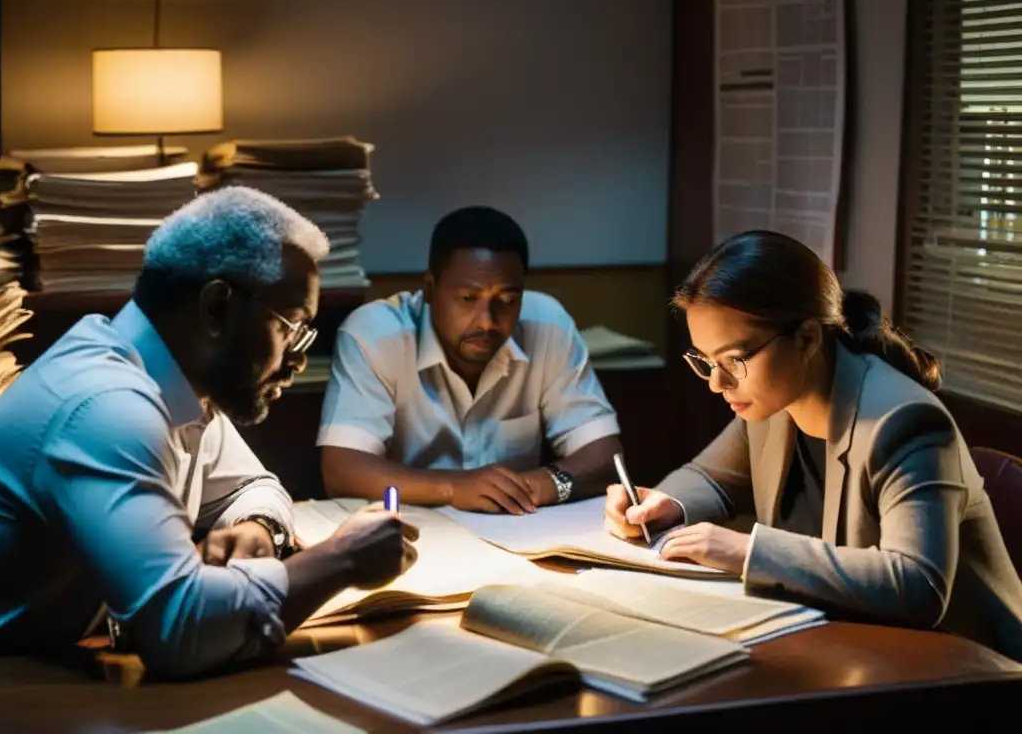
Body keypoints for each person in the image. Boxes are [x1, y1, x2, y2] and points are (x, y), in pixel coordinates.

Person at [0, 186, 419, 677]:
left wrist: (259, 526)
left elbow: (252, 486)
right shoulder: (106, 409)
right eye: (291, 325)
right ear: (217, 307)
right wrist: (342, 560)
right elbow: (181, 631)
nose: (300, 358)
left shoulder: (175, 382)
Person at [604, 230, 1022, 661]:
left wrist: (746, 551)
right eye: (706, 361)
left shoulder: (904, 421)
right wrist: (664, 504)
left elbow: (917, 584)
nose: (717, 382)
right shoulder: (774, 400)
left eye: (735, 360)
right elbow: (711, 477)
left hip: (971, 670)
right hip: (853, 651)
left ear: (806, 338)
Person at [319, 205, 622, 514]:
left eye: (506, 300)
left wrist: (539, 485)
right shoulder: (376, 334)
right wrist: (453, 487)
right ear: (430, 289)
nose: (487, 322)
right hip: (410, 534)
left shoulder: (547, 326)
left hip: (516, 531)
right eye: (468, 298)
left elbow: (606, 457)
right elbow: (343, 470)